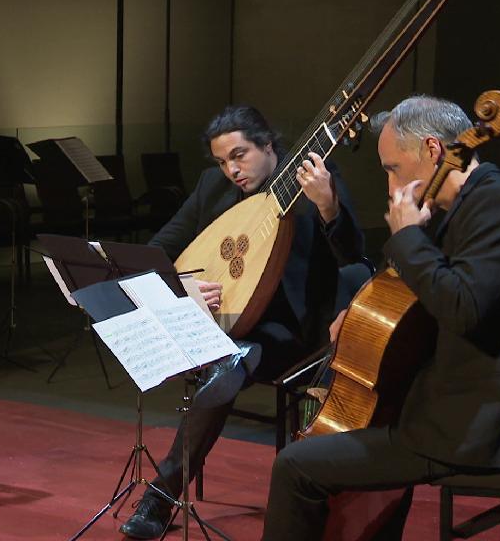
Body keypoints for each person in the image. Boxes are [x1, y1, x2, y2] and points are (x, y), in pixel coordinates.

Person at [261, 94, 500, 540]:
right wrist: (362, 313)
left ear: (431, 150)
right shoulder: (465, 208)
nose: (390, 185)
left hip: (497, 424)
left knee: (296, 466)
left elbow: (462, 308)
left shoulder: (498, 206)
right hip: (470, 403)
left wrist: (406, 236)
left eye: (392, 168)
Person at [120, 105, 365, 539]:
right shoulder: (211, 187)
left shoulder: (312, 180)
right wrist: (185, 286)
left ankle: (161, 495)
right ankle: (168, 490)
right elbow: (162, 249)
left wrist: (328, 206)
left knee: (230, 363)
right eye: (221, 161)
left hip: (291, 330)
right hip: (227, 318)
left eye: (240, 155)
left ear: (268, 145)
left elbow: (355, 259)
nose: (231, 170)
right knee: (224, 358)